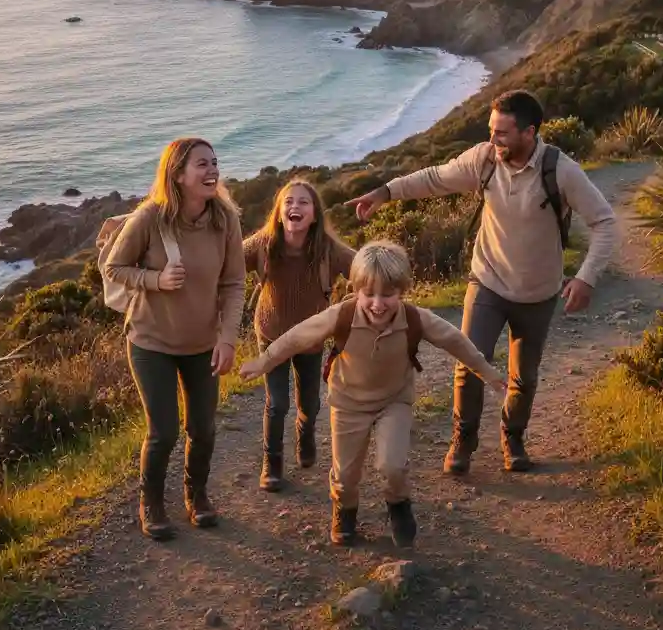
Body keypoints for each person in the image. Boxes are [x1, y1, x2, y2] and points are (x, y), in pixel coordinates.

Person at [345, 89, 616, 475]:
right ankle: (463, 441)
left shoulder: (560, 170)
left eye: (502, 133)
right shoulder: (484, 160)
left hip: (539, 293)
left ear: (529, 132)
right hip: (487, 280)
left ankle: (513, 439)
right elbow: (435, 179)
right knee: (470, 361)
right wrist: (385, 192)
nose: (493, 140)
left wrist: (586, 278)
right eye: (491, 131)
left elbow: (604, 223)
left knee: (524, 376)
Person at [240, 241, 506, 548]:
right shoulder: (341, 315)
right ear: (355, 290)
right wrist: (265, 360)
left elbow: (456, 342)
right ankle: (345, 509)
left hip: (393, 400)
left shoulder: (415, 319)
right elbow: (297, 337)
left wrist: (488, 372)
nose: (378, 304)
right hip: (348, 404)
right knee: (346, 474)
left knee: (392, 465)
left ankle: (398, 504)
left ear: (402, 291)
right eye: (369, 294)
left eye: (388, 294)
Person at [103, 137, 245, 541]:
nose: (212, 170)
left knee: (203, 428)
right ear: (178, 174)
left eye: (214, 162)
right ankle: (152, 504)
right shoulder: (150, 218)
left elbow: (234, 282)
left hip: (203, 345)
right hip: (151, 343)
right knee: (163, 431)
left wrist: (228, 339)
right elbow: (115, 267)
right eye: (201, 164)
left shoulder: (225, 220)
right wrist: (156, 280)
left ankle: (196, 495)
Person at [243, 179, 355, 492]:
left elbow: (365, 268)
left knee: (310, 404)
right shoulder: (262, 245)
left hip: (311, 339)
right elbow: (225, 265)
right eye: (288, 202)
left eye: (303, 202)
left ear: (315, 215)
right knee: (276, 403)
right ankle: (272, 464)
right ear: (279, 213)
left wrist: (358, 307)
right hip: (271, 335)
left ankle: (304, 435)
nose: (295, 207)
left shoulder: (327, 250)